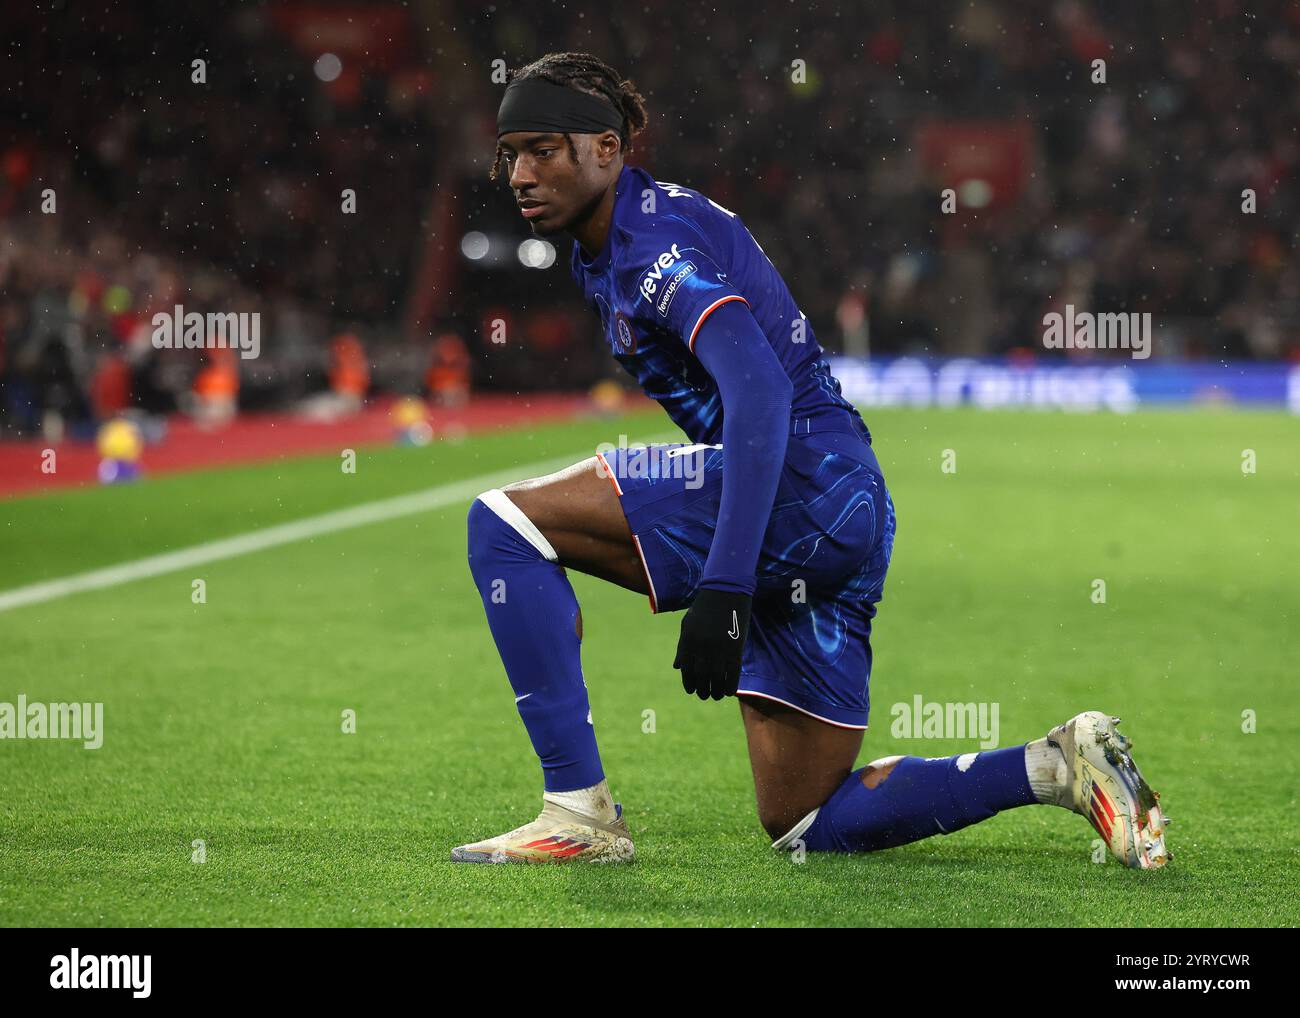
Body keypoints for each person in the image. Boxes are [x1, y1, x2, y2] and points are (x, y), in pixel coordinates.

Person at [455, 52, 1169, 869]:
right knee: (805, 818)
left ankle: (576, 811)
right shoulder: (610, 240)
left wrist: (725, 585)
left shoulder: (649, 242)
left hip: (799, 490)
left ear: (609, 149)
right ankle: (1059, 765)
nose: (519, 172)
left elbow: (759, 394)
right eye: (510, 153)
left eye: (544, 148)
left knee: (505, 525)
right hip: (842, 505)